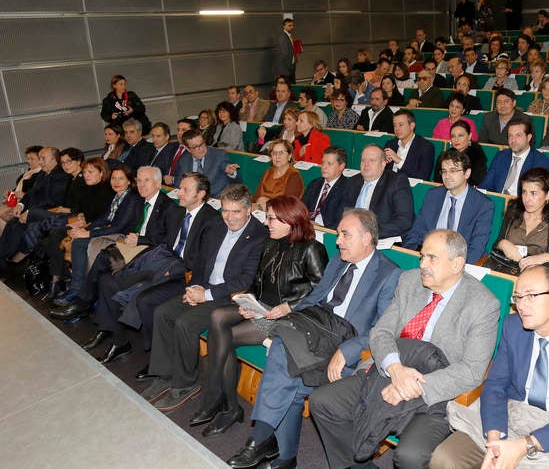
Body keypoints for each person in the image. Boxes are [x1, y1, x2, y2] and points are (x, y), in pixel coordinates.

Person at [226, 209, 402, 469]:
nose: (338, 241)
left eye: (345, 235)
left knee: (284, 355)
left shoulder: (389, 274)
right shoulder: (338, 261)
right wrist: (288, 312)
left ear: (366, 238)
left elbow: (382, 330)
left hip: (345, 344)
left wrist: (346, 351)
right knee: (287, 357)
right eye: (339, 234)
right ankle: (277, 452)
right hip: (315, 332)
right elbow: (314, 299)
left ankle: (267, 444)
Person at [310, 228, 499, 469]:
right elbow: (381, 331)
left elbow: (472, 370)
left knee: (410, 455)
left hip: (433, 392)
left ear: (457, 264)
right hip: (386, 373)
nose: (423, 264)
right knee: (323, 401)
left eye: (432, 258)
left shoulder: (482, 304)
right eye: (422, 256)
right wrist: (396, 370)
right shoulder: (410, 281)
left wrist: (411, 387)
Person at [429, 265, 549, 469]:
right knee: (445, 458)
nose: (521, 306)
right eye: (518, 297)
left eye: (531, 296)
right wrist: (494, 439)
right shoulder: (513, 326)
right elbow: (496, 385)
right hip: (508, 416)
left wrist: (524, 445)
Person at [190, 196, 328, 437]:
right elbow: (255, 283)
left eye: (273, 218)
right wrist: (248, 302)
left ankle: (223, 403)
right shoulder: (269, 243)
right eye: (268, 217)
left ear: (290, 220)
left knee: (222, 337)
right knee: (218, 317)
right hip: (262, 307)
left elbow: (322, 292)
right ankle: (224, 403)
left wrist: (289, 307)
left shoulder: (312, 249)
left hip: (287, 316)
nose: (267, 223)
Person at [140, 184, 267, 411]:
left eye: (235, 211)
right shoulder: (217, 225)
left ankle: (185, 384)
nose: (229, 217)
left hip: (228, 297)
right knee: (162, 312)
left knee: (185, 323)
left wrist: (205, 295)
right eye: (225, 210)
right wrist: (194, 288)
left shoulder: (258, 235)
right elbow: (200, 261)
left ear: (248, 210)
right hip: (205, 288)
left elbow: (245, 281)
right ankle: (164, 375)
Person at [82, 173, 224, 374]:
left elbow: (206, 261)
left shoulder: (211, 220)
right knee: (108, 282)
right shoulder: (176, 212)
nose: (179, 193)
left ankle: (159, 356)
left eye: (185, 190)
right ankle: (119, 341)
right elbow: (162, 240)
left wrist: (185, 279)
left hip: (183, 274)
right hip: (161, 262)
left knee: (145, 300)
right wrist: (143, 253)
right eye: (180, 188)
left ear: (201, 194)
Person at [49, 164, 177, 320]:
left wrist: (89, 233)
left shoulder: (164, 205)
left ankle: (82, 301)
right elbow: (107, 218)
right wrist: (88, 230)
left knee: (103, 258)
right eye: (140, 180)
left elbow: (166, 239)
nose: (142, 184)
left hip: (146, 247)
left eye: (147, 180)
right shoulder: (140, 199)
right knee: (101, 262)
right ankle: (84, 299)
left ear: (158, 183)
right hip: (131, 241)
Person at [46, 165, 143, 303]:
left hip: (124, 237)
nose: (116, 182)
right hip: (113, 232)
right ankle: (76, 286)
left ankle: (77, 289)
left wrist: (88, 234)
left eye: (121, 178)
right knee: (76, 238)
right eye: (113, 178)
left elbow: (119, 226)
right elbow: (104, 218)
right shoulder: (118, 196)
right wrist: (85, 230)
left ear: (129, 181)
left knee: (80, 243)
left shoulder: (132, 199)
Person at [487, 167, 549, 275]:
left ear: (548, 195)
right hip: (505, 271)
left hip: (538, 278)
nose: (527, 199)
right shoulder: (514, 211)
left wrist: (546, 257)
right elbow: (497, 244)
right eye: (524, 192)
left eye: (533, 193)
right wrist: (502, 243)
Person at [403, 150, 493, 263]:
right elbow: (416, 232)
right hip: (429, 257)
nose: (447, 176)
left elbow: (477, 247)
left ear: (467, 173)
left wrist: (451, 267)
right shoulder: (433, 195)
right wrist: (414, 255)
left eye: (453, 171)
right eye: (444, 171)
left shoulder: (483, 204)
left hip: (459, 262)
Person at [347, 144, 415, 239]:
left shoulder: (396, 181)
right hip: (350, 235)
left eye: (372, 160)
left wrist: (370, 234)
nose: (366, 164)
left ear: (383, 164)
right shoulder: (353, 181)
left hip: (379, 236)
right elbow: (341, 211)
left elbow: (404, 220)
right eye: (363, 160)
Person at [482, 121, 549, 195]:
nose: (513, 140)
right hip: (498, 201)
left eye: (518, 135)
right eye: (510, 135)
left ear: (528, 137)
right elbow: (486, 184)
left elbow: (536, 194)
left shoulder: (540, 160)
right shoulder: (501, 156)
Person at [174, 129, 242, 197]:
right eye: (195, 147)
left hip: (215, 198)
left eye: (202, 144)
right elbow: (179, 182)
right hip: (192, 197)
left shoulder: (219, 155)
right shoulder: (183, 160)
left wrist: (231, 173)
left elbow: (237, 181)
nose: (201, 149)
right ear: (188, 149)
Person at [302, 147, 350, 229]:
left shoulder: (347, 188)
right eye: (323, 162)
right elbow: (301, 209)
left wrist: (320, 227)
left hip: (327, 232)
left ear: (341, 166)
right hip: (306, 228)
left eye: (329, 164)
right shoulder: (314, 184)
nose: (324, 167)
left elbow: (341, 221)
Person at [433, 121, 488, 188]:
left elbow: (476, 181)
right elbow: (437, 179)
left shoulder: (477, 155)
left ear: (469, 136)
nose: (456, 140)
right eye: (453, 136)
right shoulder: (445, 156)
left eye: (460, 135)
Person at [384, 109, 435, 181]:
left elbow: (423, 177)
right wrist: (382, 162)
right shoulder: (390, 144)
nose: (397, 129)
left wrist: (399, 161)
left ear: (412, 126)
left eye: (401, 125)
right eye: (394, 125)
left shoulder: (426, 147)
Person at [254, 139, 304, 209]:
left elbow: (289, 205)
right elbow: (256, 197)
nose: (277, 156)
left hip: (281, 214)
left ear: (289, 156)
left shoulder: (294, 176)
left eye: (281, 153)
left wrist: (267, 203)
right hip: (261, 210)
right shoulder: (268, 172)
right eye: (274, 153)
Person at [275, 18, 296, 83]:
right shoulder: (283, 37)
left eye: (292, 25)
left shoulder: (289, 36)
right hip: (286, 69)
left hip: (290, 68)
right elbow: (285, 54)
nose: (292, 27)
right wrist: (290, 67)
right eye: (289, 25)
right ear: (284, 26)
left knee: (292, 88)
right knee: (288, 88)